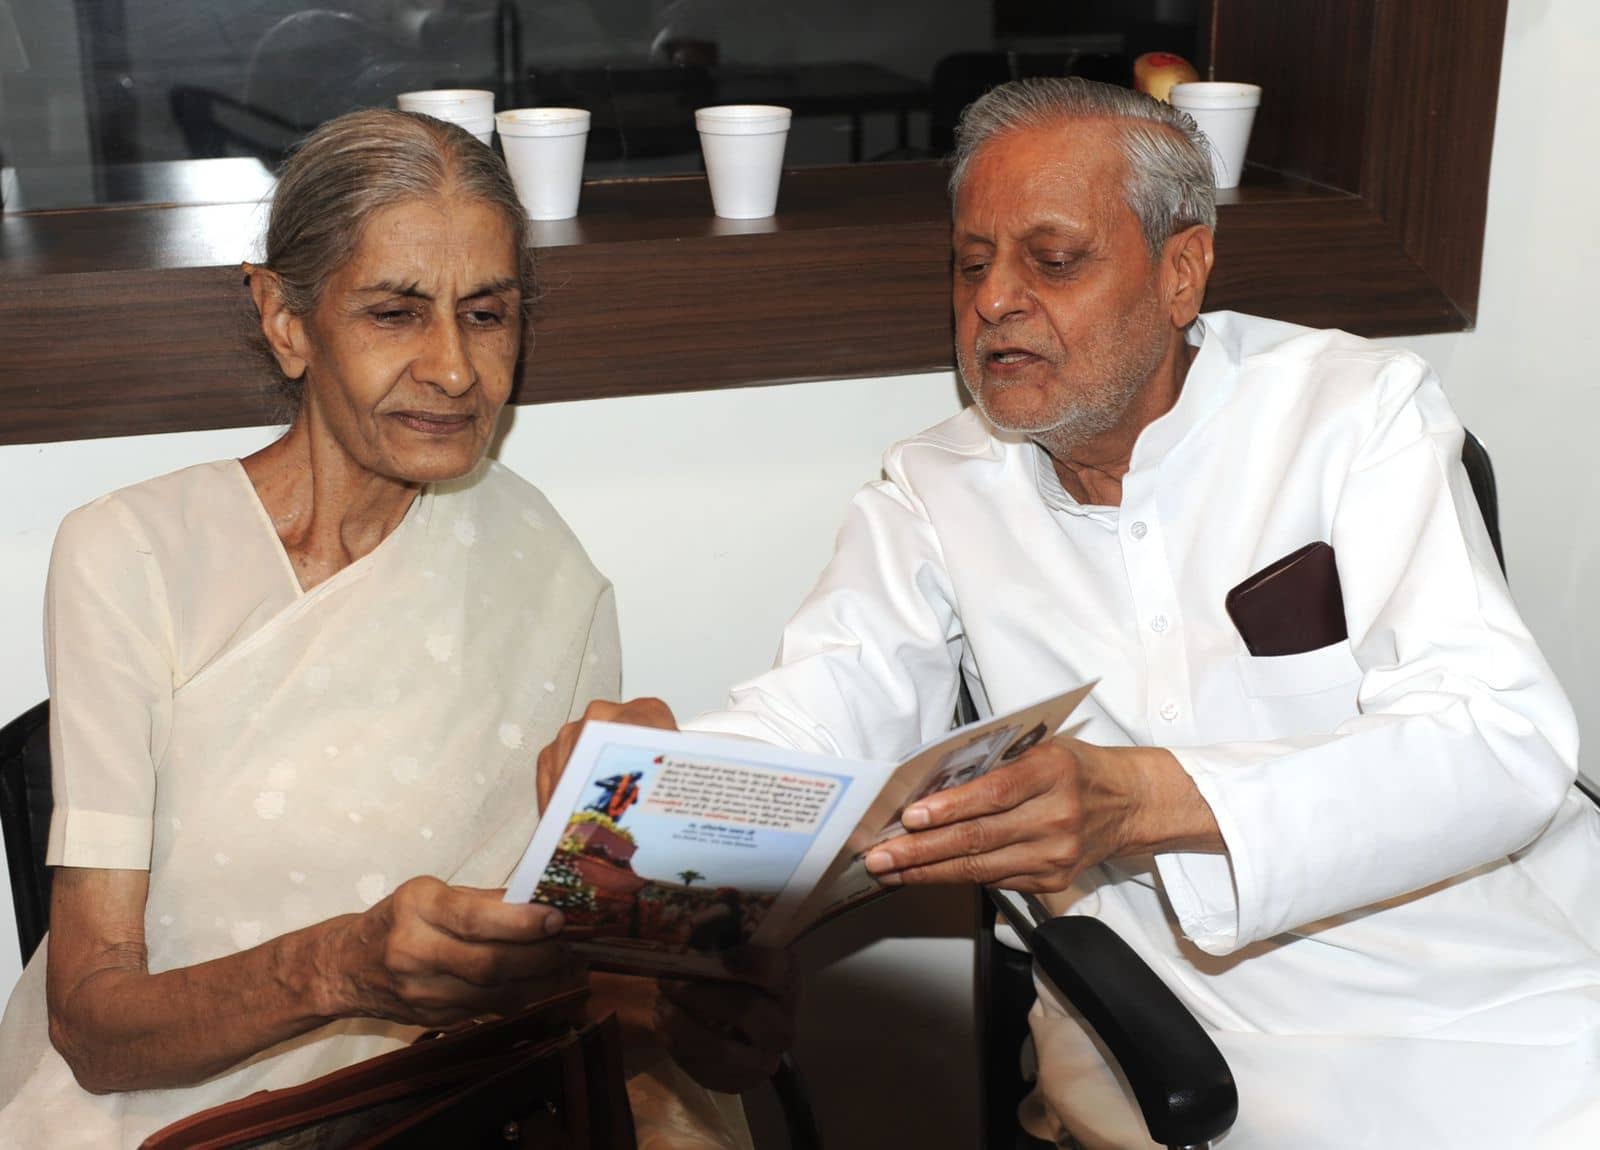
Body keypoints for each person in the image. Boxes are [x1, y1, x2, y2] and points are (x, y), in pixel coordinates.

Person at [539, 78, 1600, 1147]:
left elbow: (1500, 739)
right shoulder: (934, 489)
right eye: (971, 264)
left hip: (1485, 967)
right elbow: (820, 718)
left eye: (1051, 260)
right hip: (1175, 1009)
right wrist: (658, 780)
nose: (994, 300)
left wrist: (1141, 798)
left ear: (1180, 271)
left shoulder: (1353, 413)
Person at [0, 109, 784, 1150]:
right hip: (183, 1114)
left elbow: (579, 968)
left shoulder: (541, 566)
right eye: (395, 313)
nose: (454, 369)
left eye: (487, 314)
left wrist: (698, 988)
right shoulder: (133, 555)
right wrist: (342, 967)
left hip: (471, 1100)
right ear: (286, 320)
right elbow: (93, 1026)